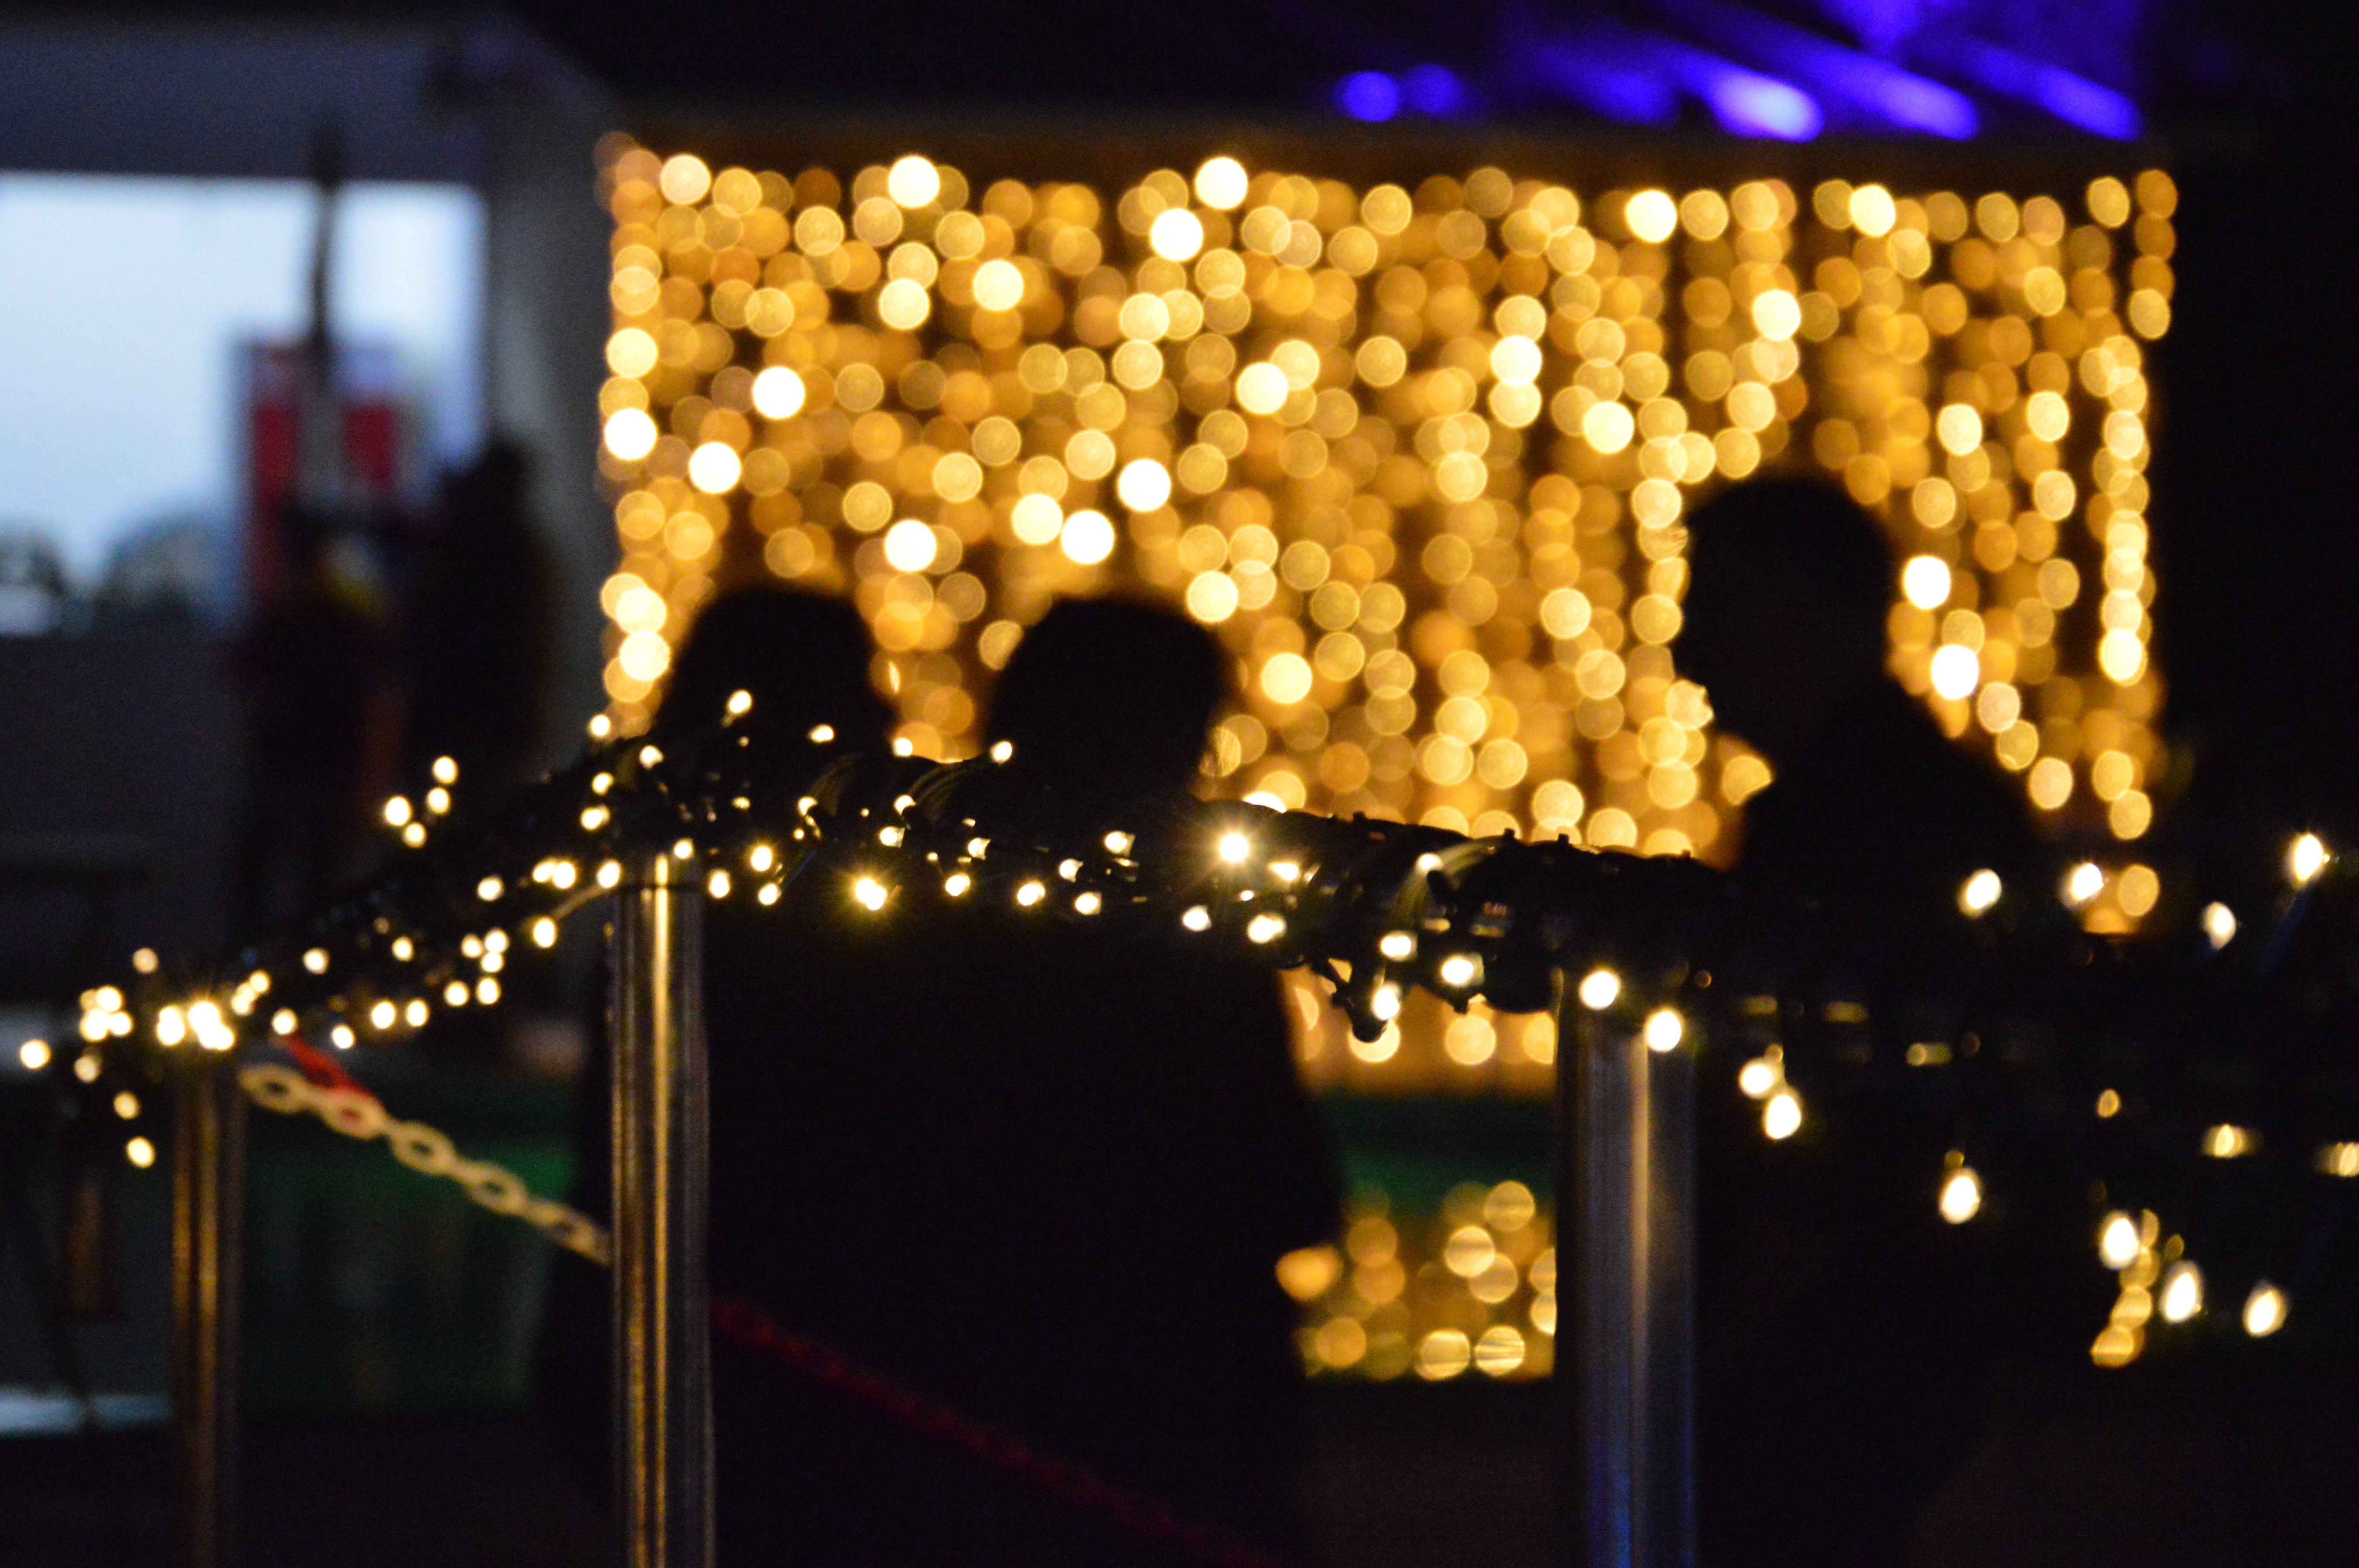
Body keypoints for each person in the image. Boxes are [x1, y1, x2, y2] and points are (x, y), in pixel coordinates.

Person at [702, 596, 1339, 1565]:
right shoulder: (1189, 946)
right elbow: (1290, 1192)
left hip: (946, 1419)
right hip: (1167, 1419)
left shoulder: (904, 919)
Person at [1674, 477, 2050, 1567]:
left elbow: (1858, 1129)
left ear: (1801, 606)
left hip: (1835, 1339)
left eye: (1714, 604)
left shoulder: (1850, 825)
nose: (1686, 651)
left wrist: (1730, 1333)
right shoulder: (1908, 799)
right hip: (1880, 1329)